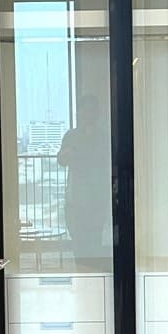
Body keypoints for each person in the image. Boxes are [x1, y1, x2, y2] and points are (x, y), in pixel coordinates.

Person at [57, 94, 110, 269]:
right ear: (79, 112)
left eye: (92, 110)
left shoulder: (103, 137)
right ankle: (81, 271)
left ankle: (93, 273)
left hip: (97, 197)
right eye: (85, 110)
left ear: (97, 113)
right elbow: (61, 160)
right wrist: (68, 154)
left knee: (94, 239)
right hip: (76, 198)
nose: (89, 114)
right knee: (78, 239)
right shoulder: (71, 135)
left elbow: (106, 161)